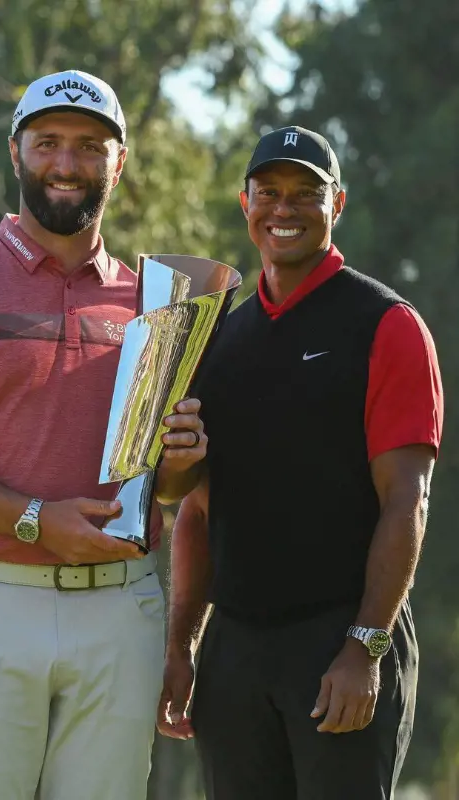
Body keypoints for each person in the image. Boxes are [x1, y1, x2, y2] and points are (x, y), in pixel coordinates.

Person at [0, 69, 207, 800]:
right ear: (16, 151)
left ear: (120, 163)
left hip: (122, 606)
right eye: (48, 142)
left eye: (90, 147)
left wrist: (182, 461)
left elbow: (160, 484)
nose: (66, 163)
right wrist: (34, 521)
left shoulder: (156, 300)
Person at [157, 125, 443, 799]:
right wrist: (180, 646)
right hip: (235, 650)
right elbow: (196, 509)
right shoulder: (216, 332)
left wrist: (365, 645)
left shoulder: (386, 324)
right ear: (244, 202)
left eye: (306, 194)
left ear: (336, 204)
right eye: (269, 192)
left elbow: (409, 499)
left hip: (340, 641)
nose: (283, 208)